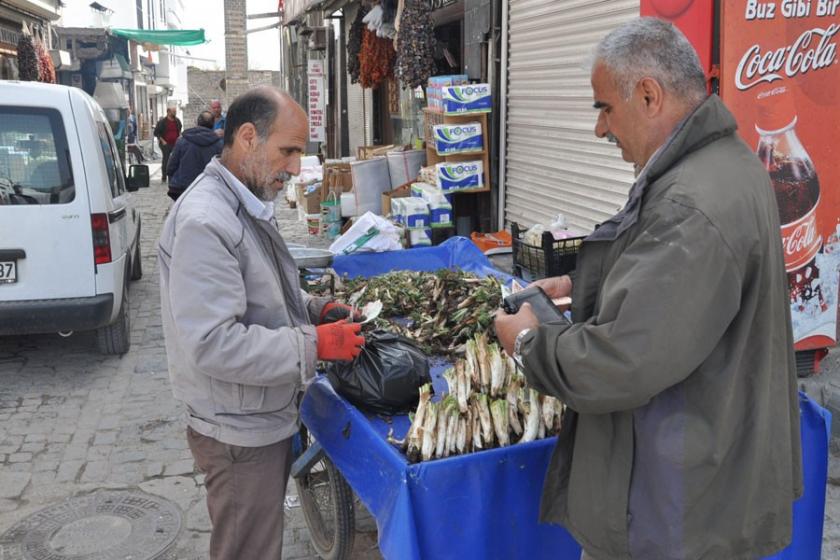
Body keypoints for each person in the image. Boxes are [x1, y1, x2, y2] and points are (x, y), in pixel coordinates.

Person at [494, 17, 801, 560]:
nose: (600, 130)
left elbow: (622, 362)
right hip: (699, 486)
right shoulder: (721, 164)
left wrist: (528, 345)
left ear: (649, 95)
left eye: (604, 109)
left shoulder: (691, 202)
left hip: (676, 511)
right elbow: (665, 278)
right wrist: (576, 282)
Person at [158, 86, 365, 560]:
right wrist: (316, 345)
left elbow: (263, 292)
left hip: (255, 415)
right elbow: (214, 344)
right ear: (248, 137)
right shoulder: (206, 221)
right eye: (288, 151)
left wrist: (314, 310)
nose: (295, 167)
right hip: (235, 432)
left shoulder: (244, 201)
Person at [165, 111, 223, 201]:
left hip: (182, 188)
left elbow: (170, 167)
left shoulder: (182, 141)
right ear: (213, 124)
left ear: (197, 123)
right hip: (208, 189)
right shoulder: (218, 144)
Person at [154, 106, 182, 183]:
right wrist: (163, 141)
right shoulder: (162, 122)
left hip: (175, 144)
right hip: (165, 144)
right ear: (168, 112)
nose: (175, 113)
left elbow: (179, 130)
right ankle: (164, 176)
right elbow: (156, 133)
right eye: (173, 111)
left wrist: (179, 138)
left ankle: (175, 175)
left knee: (176, 159)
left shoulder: (177, 121)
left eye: (175, 111)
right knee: (166, 160)